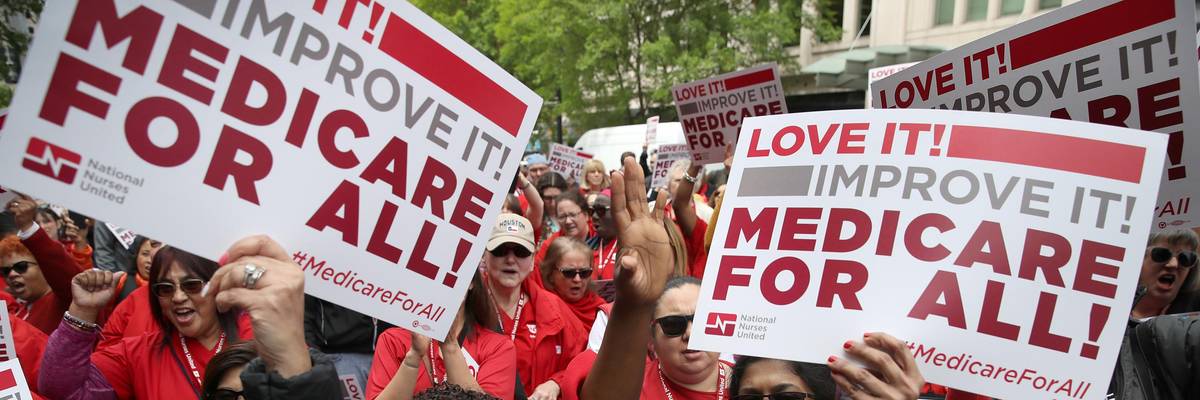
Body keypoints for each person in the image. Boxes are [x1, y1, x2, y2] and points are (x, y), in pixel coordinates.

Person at [39, 246, 253, 399]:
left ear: (217, 285)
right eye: (165, 288)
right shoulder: (138, 354)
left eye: (192, 285)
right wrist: (83, 310)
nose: (178, 297)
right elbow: (59, 389)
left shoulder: (259, 338)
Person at [480, 214, 587, 399]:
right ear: (484, 256)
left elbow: (584, 359)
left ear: (532, 261)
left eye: (521, 252)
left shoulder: (554, 310)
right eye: (500, 250)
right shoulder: (463, 308)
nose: (510, 260)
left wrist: (556, 383)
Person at [367, 271, 516, 399]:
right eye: (429, 275)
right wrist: (412, 358)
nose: (440, 283)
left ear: (471, 282)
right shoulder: (393, 341)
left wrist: (450, 346)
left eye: (451, 275)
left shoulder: (499, 347)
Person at [4, 195, 88, 334]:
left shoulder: (64, 302)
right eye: (6, 271)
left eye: (21, 266)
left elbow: (66, 275)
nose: (12, 274)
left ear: (43, 267)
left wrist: (28, 227)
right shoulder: (15, 310)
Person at [99, 237, 166, 348]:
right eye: (145, 254)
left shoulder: (171, 295)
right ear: (136, 256)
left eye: (157, 255)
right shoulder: (121, 282)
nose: (150, 260)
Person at [540, 237, 607, 331]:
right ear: (550, 274)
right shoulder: (541, 307)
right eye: (569, 273)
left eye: (584, 272)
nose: (577, 279)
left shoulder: (601, 310)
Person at [536, 172, 569, 243]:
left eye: (557, 197)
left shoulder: (572, 216)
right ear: (541, 197)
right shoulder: (536, 218)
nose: (553, 203)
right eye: (548, 198)